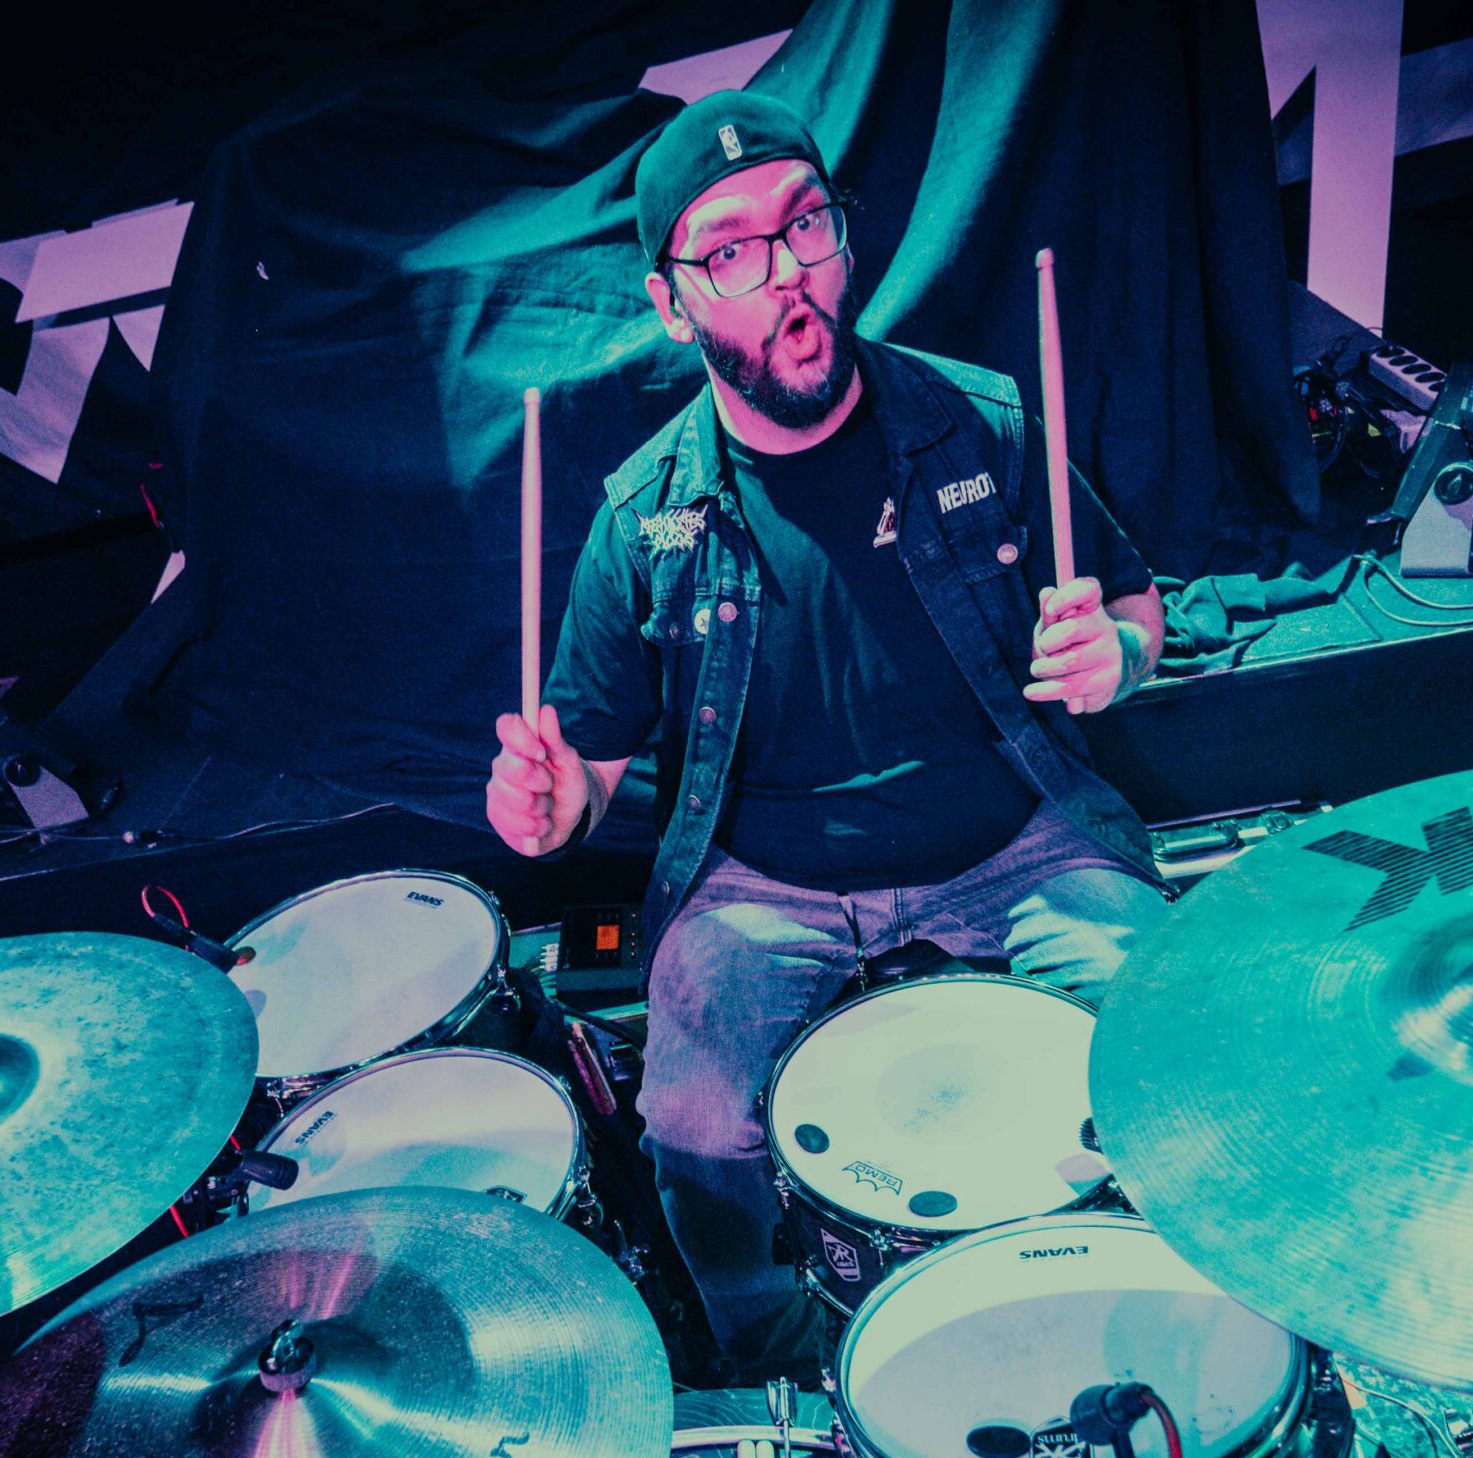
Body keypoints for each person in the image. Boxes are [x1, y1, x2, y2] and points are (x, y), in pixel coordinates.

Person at [486, 91, 1172, 1376]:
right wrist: (547, 804)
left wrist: (1116, 656)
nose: (787, 274)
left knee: (1172, 1031)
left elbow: (1135, 604)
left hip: (1014, 844)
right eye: (732, 251)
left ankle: (1166, 1307)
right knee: (693, 1122)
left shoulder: (979, 424)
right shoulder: (645, 520)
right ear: (672, 303)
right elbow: (585, 771)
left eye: (806, 226)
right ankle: (787, 1368)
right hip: (764, 887)